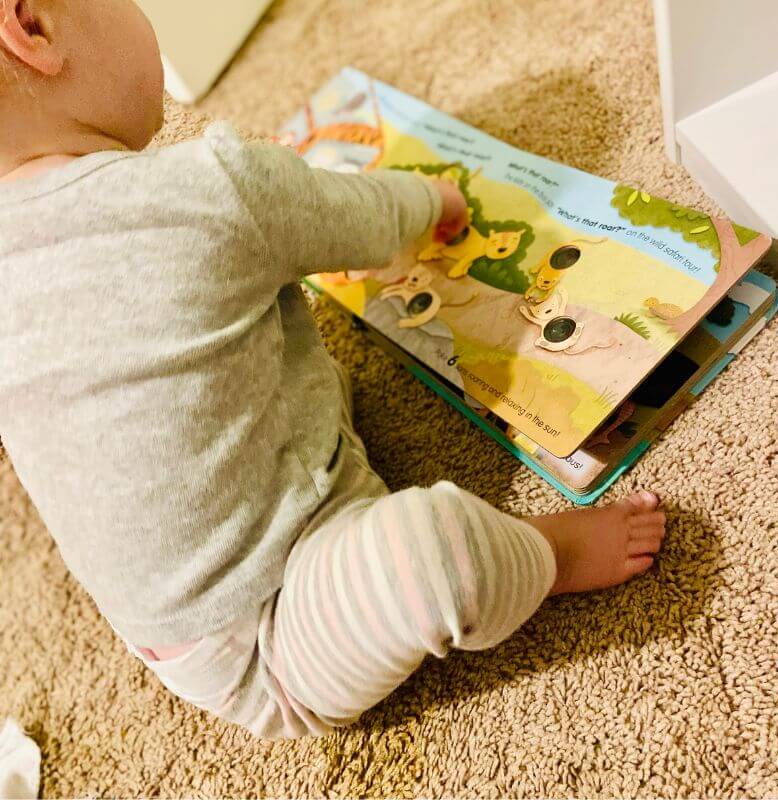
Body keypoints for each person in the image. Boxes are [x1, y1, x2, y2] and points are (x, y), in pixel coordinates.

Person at [0, 0, 666, 739]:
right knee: (433, 553)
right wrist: (432, 201)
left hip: (171, 639)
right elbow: (360, 212)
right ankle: (554, 556)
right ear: (31, 26)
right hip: (281, 640)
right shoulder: (210, 191)